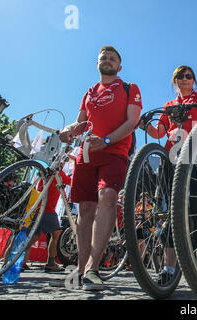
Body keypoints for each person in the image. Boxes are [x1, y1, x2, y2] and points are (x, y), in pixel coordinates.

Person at [55, 45, 142, 291]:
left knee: (107, 196)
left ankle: (94, 269)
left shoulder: (129, 88)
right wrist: (70, 129)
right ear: (97, 64)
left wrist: (106, 140)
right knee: (85, 208)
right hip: (86, 154)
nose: (108, 60)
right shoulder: (89, 92)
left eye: (112, 58)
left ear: (119, 66)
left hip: (114, 152)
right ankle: (82, 270)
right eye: (103, 57)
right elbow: (81, 122)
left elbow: (132, 121)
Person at [141, 65, 197, 286]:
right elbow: (159, 133)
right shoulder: (169, 106)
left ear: (193, 80)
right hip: (174, 159)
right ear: (174, 81)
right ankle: (168, 268)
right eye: (180, 76)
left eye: (189, 76)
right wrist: (145, 126)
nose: (185, 79)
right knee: (173, 213)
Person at [23, 161, 71, 273]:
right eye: (62, 164)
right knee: (56, 234)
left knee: (33, 237)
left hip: (38, 209)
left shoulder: (45, 173)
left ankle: (21, 261)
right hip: (48, 209)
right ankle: (50, 263)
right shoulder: (58, 174)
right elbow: (72, 182)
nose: (63, 166)